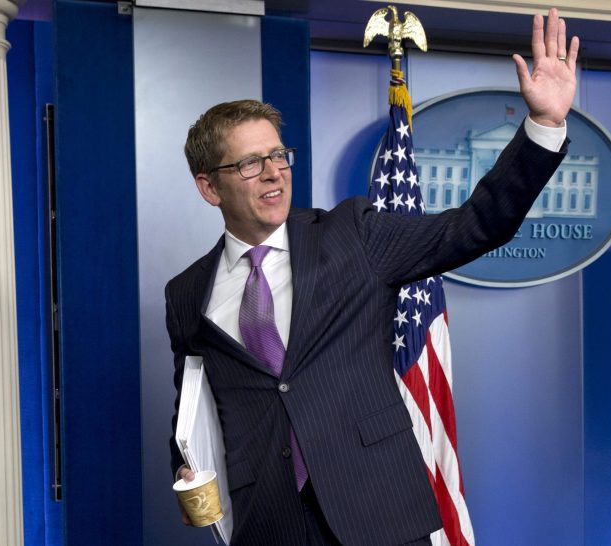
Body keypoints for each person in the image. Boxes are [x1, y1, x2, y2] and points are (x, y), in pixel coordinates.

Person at [166, 8, 579, 546]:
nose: (273, 172)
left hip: (379, 510)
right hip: (268, 523)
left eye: (278, 155)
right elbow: (191, 403)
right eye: (249, 163)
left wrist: (543, 127)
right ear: (208, 187)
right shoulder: (186, 292)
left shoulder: (351, 234)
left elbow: (474, 226)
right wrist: (185, 469)